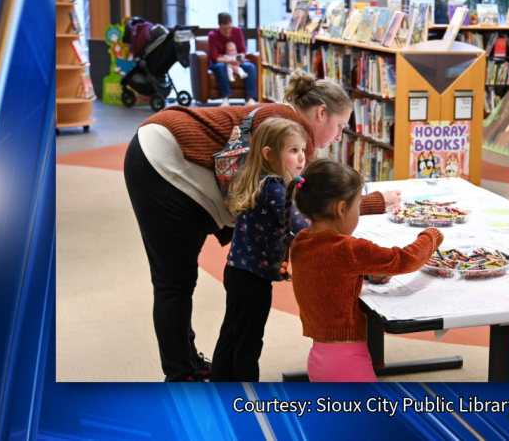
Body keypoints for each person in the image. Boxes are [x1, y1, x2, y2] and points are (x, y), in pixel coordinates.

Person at [124, 70, 400, 382]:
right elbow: (307, 210)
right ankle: (182, 377)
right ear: (322, 113)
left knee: (211, 310)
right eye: (339, 127)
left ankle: (192, 367)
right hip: (164, 161)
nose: (338, 137)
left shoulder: (285, 133)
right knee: (175, 283)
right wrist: (362, 236)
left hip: (164, 155)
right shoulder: (290, 132)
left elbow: (302, 207)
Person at [285, 159, 444, 382]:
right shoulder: (348, 249)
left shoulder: (302, 241)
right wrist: (431, 236)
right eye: (358, 204)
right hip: (347, 362)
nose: (360, 211)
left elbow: (327, 274)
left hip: (318, 357)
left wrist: (366, 272)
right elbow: (405, 260)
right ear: (341, 209)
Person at [210, 118, 309, 382]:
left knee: (232, 334)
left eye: (303, 150)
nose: (302, 157)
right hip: (253, 281)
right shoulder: (275, 189)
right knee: (249, 344)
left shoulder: (257, 179)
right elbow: (302, 227)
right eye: (293, 150)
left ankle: (219, 385)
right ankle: (247, 398)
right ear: (269, 154)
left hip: (238, 272)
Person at [208, 12, 258, 106]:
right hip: (221, 62)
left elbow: (243, 51)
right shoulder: (212, 35)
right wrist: (230, 62)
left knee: (250, 67)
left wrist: (237, 61)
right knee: (220, 67)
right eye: (225, 28)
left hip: (236, 60)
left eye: (229, 28)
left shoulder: (237, 31)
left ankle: (250, 98)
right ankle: (225, 98)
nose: (228, 31)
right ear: (220, 26)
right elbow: (215, 57)